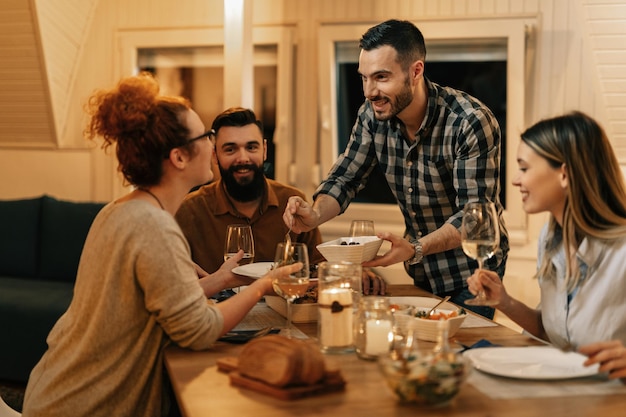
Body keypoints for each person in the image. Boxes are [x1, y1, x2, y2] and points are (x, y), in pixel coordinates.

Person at [21, 74, 301, 417]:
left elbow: (150, 302)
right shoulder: (154, 226)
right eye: (206, 137)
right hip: (87, 403)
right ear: (179, 158)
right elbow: (200, 330)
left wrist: (220, 280)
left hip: (56, 390)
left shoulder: (121, 210)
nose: (214, 148)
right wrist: (263, 285)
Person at [283, 19, 508, 317]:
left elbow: (474, 218)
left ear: (415, 71)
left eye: (381, 77)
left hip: (473, 272)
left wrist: (415, 248)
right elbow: (345, 178)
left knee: (458, 357)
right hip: (423, 270)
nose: (369, 91)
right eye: (364, 78)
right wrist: (314, 215)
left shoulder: (470, 122)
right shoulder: (372, 115)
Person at [468, 111, 626, 382]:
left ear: (564, 174)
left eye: (525, 168)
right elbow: (550, 331)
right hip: (561, 394)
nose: (516, 180)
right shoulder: (550, 239)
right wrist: (503, 301)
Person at [176, 107, 386, 295]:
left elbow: (317, 267)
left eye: (251, 147)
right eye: (230, 149)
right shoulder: (189, 210)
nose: (243, 158)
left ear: (265, 149)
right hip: (218, 322)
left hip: (282, 316)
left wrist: (354, 271)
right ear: (215, 156)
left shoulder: (292, 202)